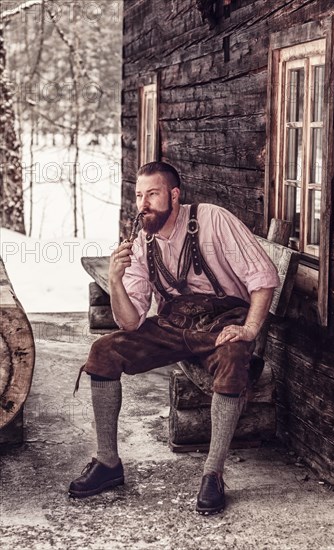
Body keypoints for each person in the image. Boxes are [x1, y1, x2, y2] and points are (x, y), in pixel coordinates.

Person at [69, 161, 280, 515]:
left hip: (221, 323)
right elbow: (131, 322)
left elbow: (264, 277)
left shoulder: (212, 220)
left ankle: (213, 474)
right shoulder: (140, 244)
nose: (143, 203)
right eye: (139, 196)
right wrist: (117, 281)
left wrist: (249, 330)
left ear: (174, 195)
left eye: (152, 194)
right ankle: (107, 463)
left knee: (233, 357)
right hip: (174, 325)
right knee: (103, 352)